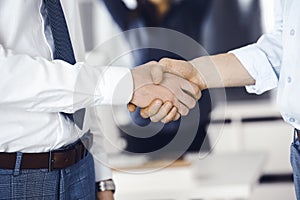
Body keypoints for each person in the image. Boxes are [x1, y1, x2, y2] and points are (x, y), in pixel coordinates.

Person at [0, 1, 199, 199]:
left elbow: (75, 65)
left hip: (83, 170)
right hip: (15, 177)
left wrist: (102, 178)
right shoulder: (133, 16)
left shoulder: (187, 12)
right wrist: (127, 85)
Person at [139, 0, 300, 198]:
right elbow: (283, 50)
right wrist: (197, 73)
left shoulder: (189, 10)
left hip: (193, 115)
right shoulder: (135, 14)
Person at [102, 0, 212, 154]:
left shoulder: (190, 11)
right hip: (144, 122)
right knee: (147, 177)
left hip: (191, 119)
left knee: (198, 175)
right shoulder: (130, 18)